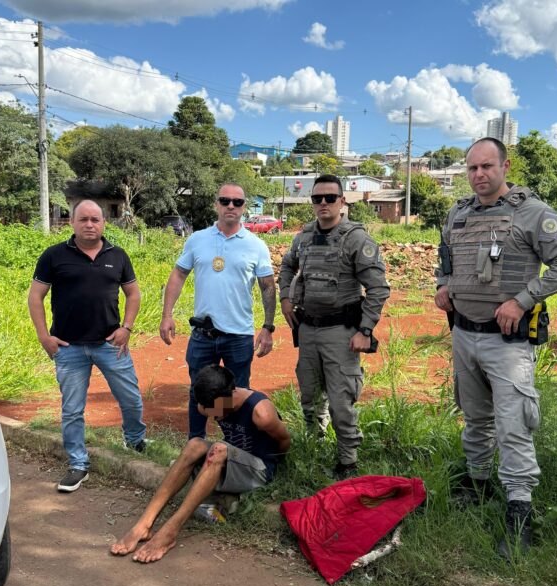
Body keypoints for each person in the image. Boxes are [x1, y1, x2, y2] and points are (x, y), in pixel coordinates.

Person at [434, 137, 557, 558]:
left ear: (505, 166)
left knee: (513, 425)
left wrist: (522, 300)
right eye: (472, 168)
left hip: (507, 342)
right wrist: (442, 284)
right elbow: (444, 255)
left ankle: (520, 511)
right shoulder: (458, 213)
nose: (479, 174)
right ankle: (478, 483)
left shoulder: (532, 213)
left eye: (487, 166)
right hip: (464, 334)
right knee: (475, 417)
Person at [110, 364, 291, 563]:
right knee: (194, 445)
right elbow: (209, 420)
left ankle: (170, 531)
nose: (214, 415)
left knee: (219, 449)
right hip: (230, 462)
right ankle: (143, 525)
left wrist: (279, 471)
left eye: (219, 410)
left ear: (231, 393)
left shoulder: (261, 413)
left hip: (259, 469)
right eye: (210, 410)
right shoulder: (208, 404)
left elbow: (284, 441)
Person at [28, 200, 148, 493]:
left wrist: (126, 328)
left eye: (95, 219)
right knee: (72, 410)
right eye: (83, 219)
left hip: (110, 344)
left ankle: (134, 441)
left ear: (104, 223)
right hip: (68, 348)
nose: (90, 224)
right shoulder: (54, 256)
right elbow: (35, 297)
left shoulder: (117, 255)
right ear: (72, 223)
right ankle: (78, 464)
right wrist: (44, 337)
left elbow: (133, 294)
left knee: (131, 398)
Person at [278, 174, 390, 480]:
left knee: (341, 401)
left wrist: (365, 330)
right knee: (310, 395)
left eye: (330, 198)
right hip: (308, 329)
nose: (323, 203)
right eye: (318, 198)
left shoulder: (356, 238)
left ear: (342, 201)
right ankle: (313, 448)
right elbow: (287, 265)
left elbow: (378, 288)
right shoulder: (303, 237)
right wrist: (285, 298)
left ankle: (347, 461)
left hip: (341, 333)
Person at [160, 183, 277, 439]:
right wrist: (167, 315)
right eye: (225, 201)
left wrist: (268, 327)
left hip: (238, 336)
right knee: (199, 391)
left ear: (244, 207)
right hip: (203, 335)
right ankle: (196, 443)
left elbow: (267, 286)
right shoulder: (197, 239)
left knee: (237, 394)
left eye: (237, 202)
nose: (231, 206)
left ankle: (236, 445)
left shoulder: (256, 245)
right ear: (216, 204)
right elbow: (179, 274)